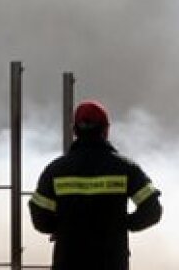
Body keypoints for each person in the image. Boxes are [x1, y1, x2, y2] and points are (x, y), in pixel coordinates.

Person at [29, 100, 162, 270]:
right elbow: (152, 210)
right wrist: (123, 224)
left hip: (68, 260)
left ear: (75, 131)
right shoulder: (126, 168)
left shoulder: (56, 170)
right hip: (111, 261)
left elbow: (40, 218)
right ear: (106, 130)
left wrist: (63, 227)